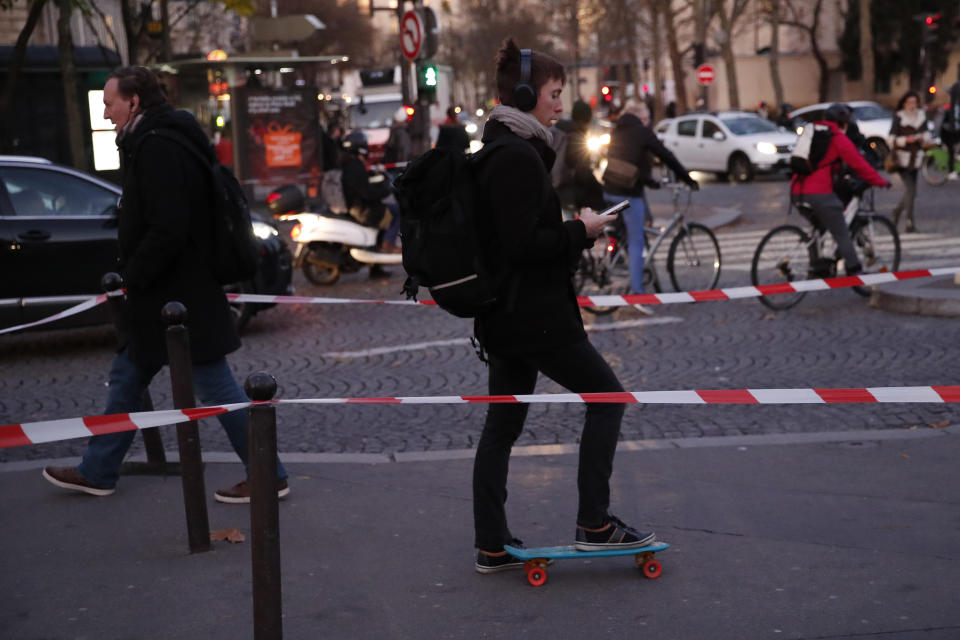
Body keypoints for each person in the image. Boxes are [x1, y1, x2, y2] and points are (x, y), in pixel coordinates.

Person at [41, 66, 289, 503]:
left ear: (134, 102)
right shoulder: (161, 139)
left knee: (215, 387)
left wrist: (134, 274)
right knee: (128, 377)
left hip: (177, 297)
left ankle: (269, 474)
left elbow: (168, 227)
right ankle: (98, 470)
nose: (104, 112)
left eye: (109, 102)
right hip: (172, 293)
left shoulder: (157, 147)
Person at [471, 38, 654, 576]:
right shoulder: (514, 156)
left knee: (502, 428)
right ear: (526, 94)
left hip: (507, 316)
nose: (558, 104)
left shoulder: (504, 148)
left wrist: (574, 232)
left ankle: (491, 543)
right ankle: (594, 523)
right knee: (609, 399)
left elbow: (519, 237)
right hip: (536, 317)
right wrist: (582, 230)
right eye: (553, 94)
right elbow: (524, 244)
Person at [604, 100, 699, 313]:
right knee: (637, 240)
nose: (647, 122)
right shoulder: (642, 131)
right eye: (646, 118)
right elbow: (666, 155)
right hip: (628, 195)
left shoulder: (618, 130)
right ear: (641, 117)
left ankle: (622, 265)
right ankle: (638, 293)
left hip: (609, 189)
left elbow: (628, 162)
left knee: (626, 236)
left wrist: (650, 182)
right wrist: (687, 179)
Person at [791, 103, 891, 276]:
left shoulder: (812, 132)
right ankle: (855, 270)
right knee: (841, 232)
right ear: (844, 124)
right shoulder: (838, 138)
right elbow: (859, 165)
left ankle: (819, 264)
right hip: (818, 194)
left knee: (821, 226)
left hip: (796, 191)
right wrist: (881, 181)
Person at [339, 130, 400, 260]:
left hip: (359, 206)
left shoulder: (351, 164)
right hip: (363, 209)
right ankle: (388, 244)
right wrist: (385, 190)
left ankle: (377, 258)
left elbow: (364, 186)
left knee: (389, 209)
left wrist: (380, 183)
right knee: (396, 211)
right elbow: (366, 193)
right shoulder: (355, 166)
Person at [888, 91, 931, 232]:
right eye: (909, 102)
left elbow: (927, 133)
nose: (912, 105)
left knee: (911, 191)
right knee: (911, 190)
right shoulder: (899, 117)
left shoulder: (921, 115)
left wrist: (922, 138)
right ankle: (909, 222)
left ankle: (897, 211)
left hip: (916, 158)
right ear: (904, 103)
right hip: (901, 159)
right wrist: (906, 140)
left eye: (914, 102)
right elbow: (890, 138)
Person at [553, 99, 606, 212]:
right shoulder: (576, 137)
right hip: (571, 191)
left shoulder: (559, 130)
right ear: (587, 119)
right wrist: (601, 189)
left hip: (556, 187)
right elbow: (583, 172)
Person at [940, 82, 960, 181]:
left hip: (954, 132)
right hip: (947, 133)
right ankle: (951, 171)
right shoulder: (950, 108)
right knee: (951, 150)